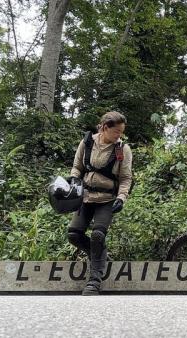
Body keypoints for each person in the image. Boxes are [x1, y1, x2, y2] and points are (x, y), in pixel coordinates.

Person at [67, 111, 132, 295]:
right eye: (116, 131)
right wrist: (73, 180)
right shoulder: (87, 143)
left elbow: (126, 178)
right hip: (86, 196)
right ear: (104, 128)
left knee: (97, 235)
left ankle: (94, 280)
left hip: (107, 199)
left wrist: (122, 197)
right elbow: (77, 167)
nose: (119, 135)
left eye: (121, 132)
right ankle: (101, 256)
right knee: (73, 234)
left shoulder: (122, 149)